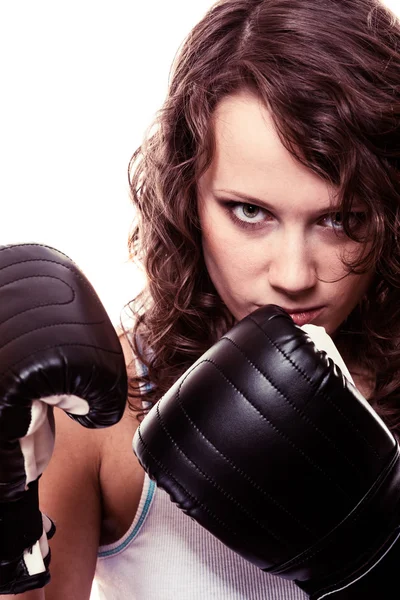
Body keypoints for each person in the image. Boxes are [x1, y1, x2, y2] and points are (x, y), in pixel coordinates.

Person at [3, 0, 400, 598]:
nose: (293, 275)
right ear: (188, 195)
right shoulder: (102, 410)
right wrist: (7, 511)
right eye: (249, 212)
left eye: (340, 219)